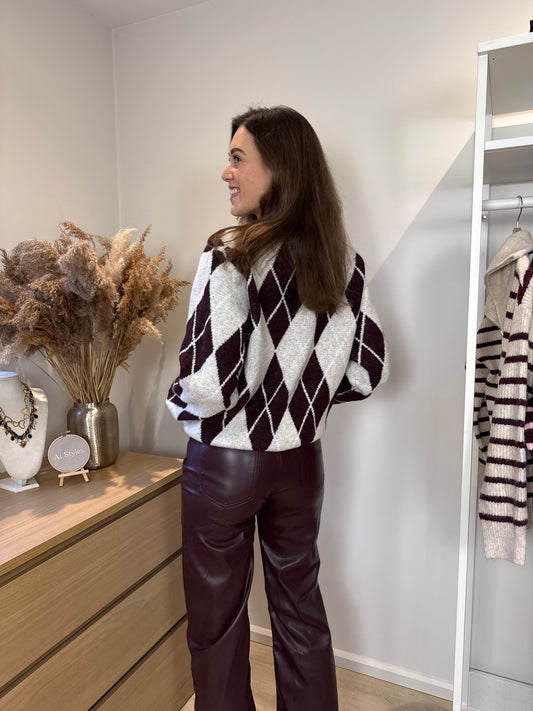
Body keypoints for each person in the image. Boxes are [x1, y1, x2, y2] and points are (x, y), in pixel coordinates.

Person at [167, 105, 388, 711]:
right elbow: (367, 372)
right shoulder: (344, 262)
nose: (225, 172)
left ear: (279, 167)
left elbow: (211, 384)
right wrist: (300, 402)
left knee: (217, 625)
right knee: (300, 612)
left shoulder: (229, 253)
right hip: (301, 463)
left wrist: (178, 401)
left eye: (237, 158)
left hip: (226, 465)